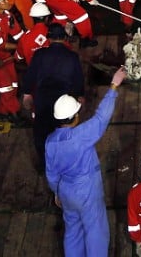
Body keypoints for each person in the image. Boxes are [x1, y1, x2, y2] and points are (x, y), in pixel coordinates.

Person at [46, 65, 127, 257]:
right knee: (95, 230)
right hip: (87, 192)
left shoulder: (50, 142)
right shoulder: (80, 135)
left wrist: (57, 192)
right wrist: (114, 86)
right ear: (74, 116)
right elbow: (101, 118)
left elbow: (51, 174)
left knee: (73, 231)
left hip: (65, 192)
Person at [20, 19, 84, 169]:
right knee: (63, 132)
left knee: (41, 133)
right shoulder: (72, 56)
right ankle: (65, 163)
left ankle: (44, 164)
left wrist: (27, 94)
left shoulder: (39, 55)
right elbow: (78, 79)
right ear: (64, 37)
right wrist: (80, 96)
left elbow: (31, 75)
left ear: (48, 38)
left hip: (42, 99)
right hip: (63, 100)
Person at [14, 1, 53, 66]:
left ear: (32, 18)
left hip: (34, 73)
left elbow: (18, 57)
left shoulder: (24, 37)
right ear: (47, 18)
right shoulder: (53, 32)